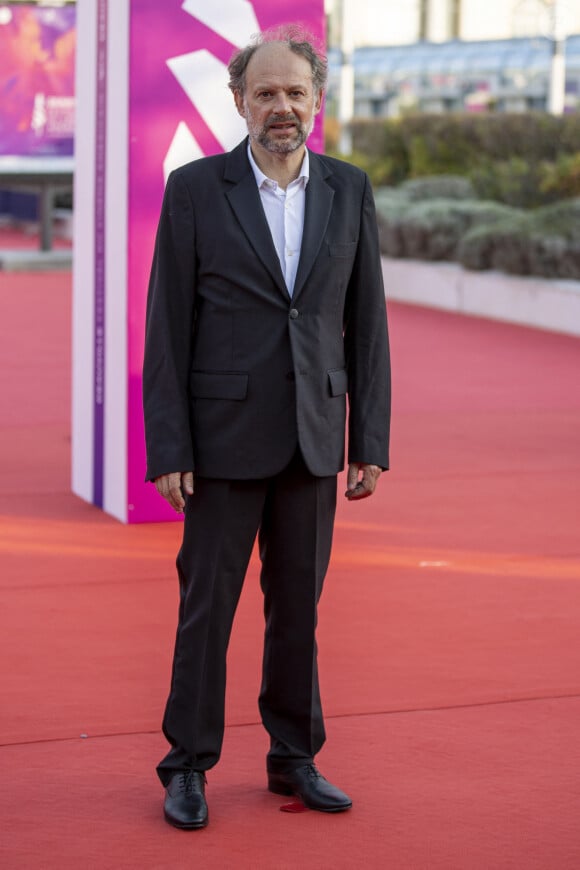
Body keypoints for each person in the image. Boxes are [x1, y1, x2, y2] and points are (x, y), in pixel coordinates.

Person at [143, 24, 391, 830]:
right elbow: (166, 329)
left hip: (314, 435)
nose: (281, 107)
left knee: (299, 609)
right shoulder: (193, 189)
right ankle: (187, 765)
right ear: (239, 101)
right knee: (205, 607)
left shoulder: (348, 189)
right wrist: (169, 447)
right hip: (218, 440)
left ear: (316, 100)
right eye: (265, 93)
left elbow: (368, 322)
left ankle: (295, 757)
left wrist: (371, 440)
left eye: (294, 92)